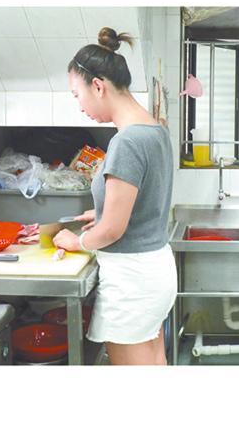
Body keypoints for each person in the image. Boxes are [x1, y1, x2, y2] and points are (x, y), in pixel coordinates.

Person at [53, 27, 177, 365]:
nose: (79, 106)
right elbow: (147, 199)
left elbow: (113, 231)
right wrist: (103, 212)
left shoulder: (127, 141)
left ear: (98, 86)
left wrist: (76, 241)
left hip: (132, 281)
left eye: (77, 95)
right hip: (153, 269)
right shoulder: (154, 129)